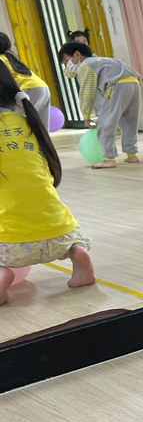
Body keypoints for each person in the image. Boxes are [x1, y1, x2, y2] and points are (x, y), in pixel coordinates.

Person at [0, 63, 94, 306]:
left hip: (9, 245)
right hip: (60, 235)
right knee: (68, 230)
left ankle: (2, 275)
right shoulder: (28, 120)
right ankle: (77, 254)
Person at [57, 41, 142, 169]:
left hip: (116, 86)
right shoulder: (101, 60)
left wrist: (86, 117)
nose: (67, 65)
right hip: (134, 84)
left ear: (77, 54)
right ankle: (132, 155)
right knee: (129, 121)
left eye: (67, 61)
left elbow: (87, 93)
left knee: (105, 122)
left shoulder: (85, 65)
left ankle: (109, 159)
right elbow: (71, 73)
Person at [0, 32, 51, 114]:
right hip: (43, 87)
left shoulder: (1, 60)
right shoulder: (10, 58)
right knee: (38, 121)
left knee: (20, 120)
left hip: (28, 90)